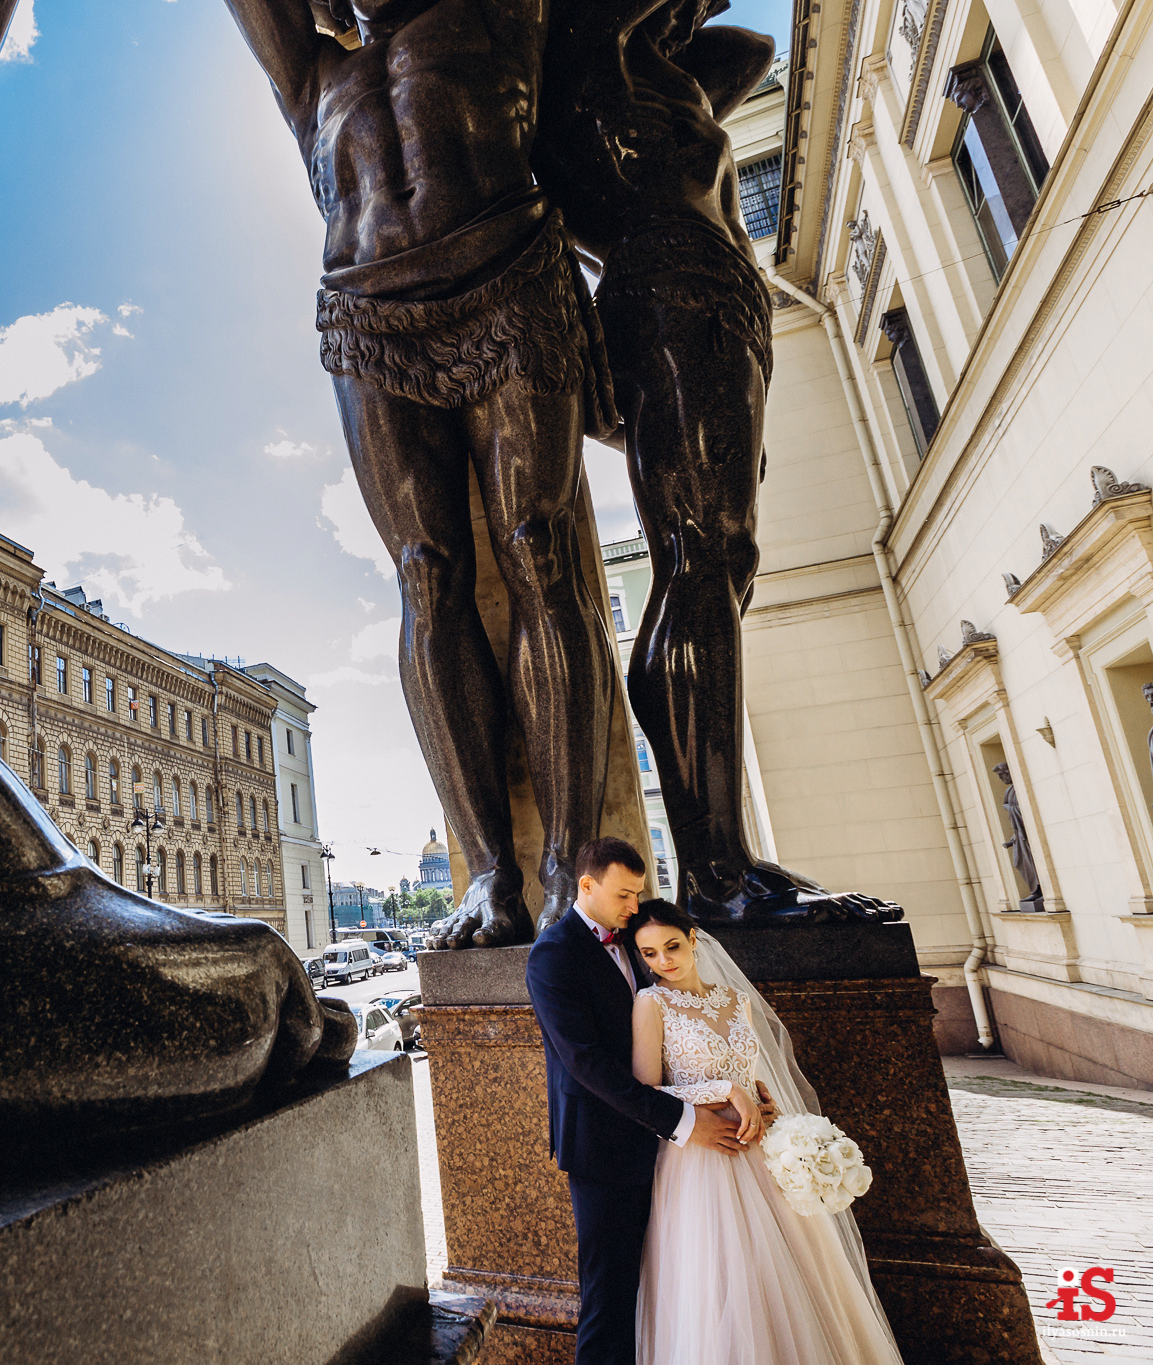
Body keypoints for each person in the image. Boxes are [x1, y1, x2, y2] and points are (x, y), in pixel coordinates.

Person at [221, 0, 624, 946]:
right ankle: (489, 874)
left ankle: (567, 869)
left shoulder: (495, 14)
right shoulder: (314, 78)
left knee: (538, 549)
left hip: (507, 275)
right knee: (426, 574)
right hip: (367, 317)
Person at [534, 0, 898, 921]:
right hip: (669, 286)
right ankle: (719, 869)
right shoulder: (576, 53)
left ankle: (720, 860)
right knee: (700, 555)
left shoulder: (659, 70)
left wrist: (668, 24)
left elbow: (752, 48)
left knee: (721, 560)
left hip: (716, 296)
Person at [627, 898, 906, 1362]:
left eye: (672, 946)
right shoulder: (652, 1003)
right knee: (723, 1279)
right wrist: (726, 1091)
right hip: (702, 1159)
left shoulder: (737, 1001)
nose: (664, 961)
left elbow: (750, 1069)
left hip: (760, 1151)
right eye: (650, 953)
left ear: (693, 939)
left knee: (788, 1274)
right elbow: (646, 1091)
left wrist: (762, 1100)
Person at [524, 836, 748, 1364]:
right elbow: (585, 1063)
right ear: (587, 886)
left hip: (672, 1156)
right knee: (610, 1297)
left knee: (672, 1288)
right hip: (605, 1149)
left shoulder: (636, 938)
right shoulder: (553, 954)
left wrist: (730, 1082)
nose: (634, 905)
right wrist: (684, 1120)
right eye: (624, 894)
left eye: (639, 893)